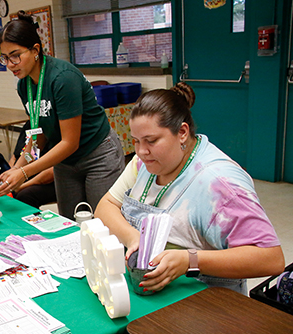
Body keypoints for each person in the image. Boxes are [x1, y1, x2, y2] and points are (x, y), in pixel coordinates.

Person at [94, 82, 285, 294]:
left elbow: (270, 258)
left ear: (182, 132)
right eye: (136, 141)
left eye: (151, 141)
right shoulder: (144, 165)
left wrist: (190, 260)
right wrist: (133, 237)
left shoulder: (219, 184)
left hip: (207, 302)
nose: (141, 152)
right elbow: (105, 206)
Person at [0, 12, 124, 219]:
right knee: (70, 221)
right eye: (5, 57)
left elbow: (70, 142)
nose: (10, 64)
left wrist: (25, 173)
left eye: (15, 55)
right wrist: (16, 169)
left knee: (103, 223)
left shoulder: (62, 78)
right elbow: (39, 136)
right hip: (65, 161)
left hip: (96, 154)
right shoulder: (24, 85)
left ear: (35, 50)